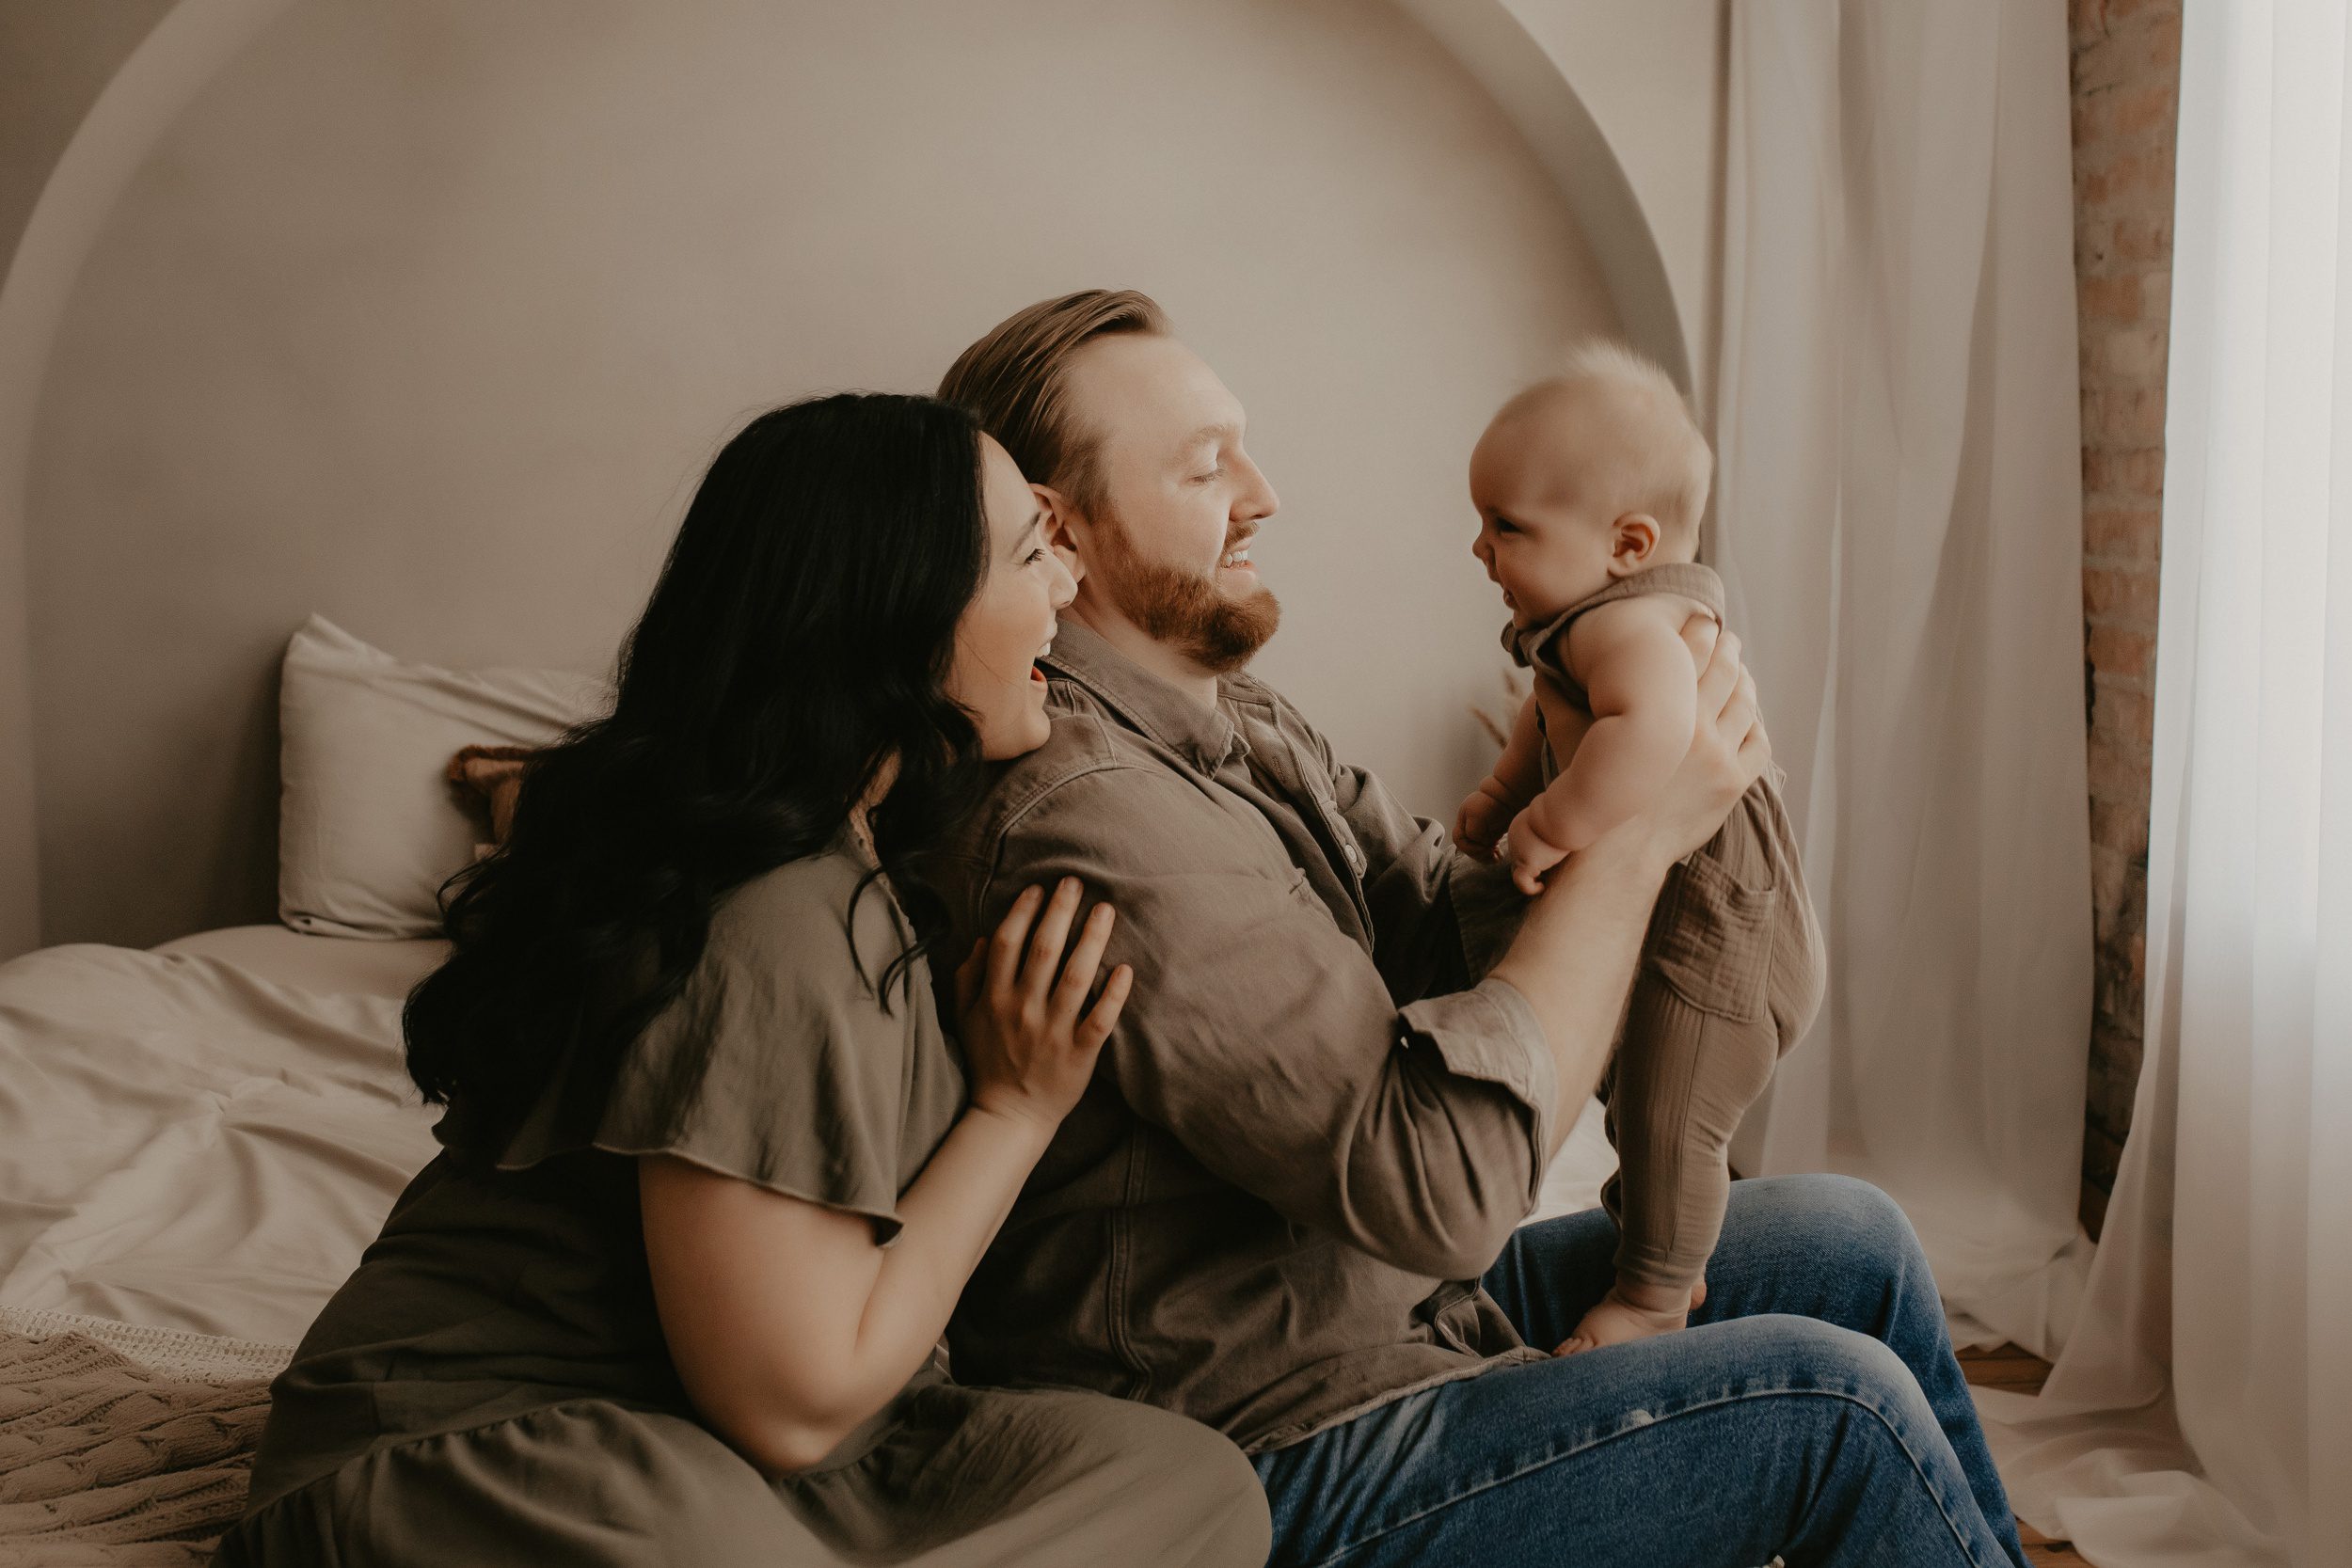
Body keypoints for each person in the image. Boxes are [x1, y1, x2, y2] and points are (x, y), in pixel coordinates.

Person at [930, 290, 2034, 1568]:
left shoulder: (1238, 721)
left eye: (1245, 443)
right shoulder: (1094, 815)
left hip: (1382, 1316)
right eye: (1204, 463)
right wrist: (1635, 836)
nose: (1265, 491)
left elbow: (1447, 922)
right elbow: (1445, 1189)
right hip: (1278, 1439)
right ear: (1056, 532)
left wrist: (1598, 760)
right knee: (1837, 1409)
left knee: (1854, 1242)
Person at [214, 393, 1271, 1566]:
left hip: (727, 1448)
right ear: (900, 621)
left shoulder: (859, 854)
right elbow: (792, 1404)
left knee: (1187, 1480)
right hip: (500, 1447)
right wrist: (1013, 1108)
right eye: (1031, 554)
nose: (1067, 592)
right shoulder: (775, 914)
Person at [1455, 341, 1827, 1353]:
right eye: (1481, 523)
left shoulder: (1629, 625)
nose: (1481, 550)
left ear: (1627, 543)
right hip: (1694, 921)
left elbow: (1654, 732)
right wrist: (1498, 791)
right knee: (1642, 1105)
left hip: (1723, 934)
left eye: (1507, 526)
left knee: (1670, 1122)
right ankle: (1651, 1234)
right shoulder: (1579, 624)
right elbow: (1546, 718)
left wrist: (1551, 822)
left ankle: (1657, 1294)